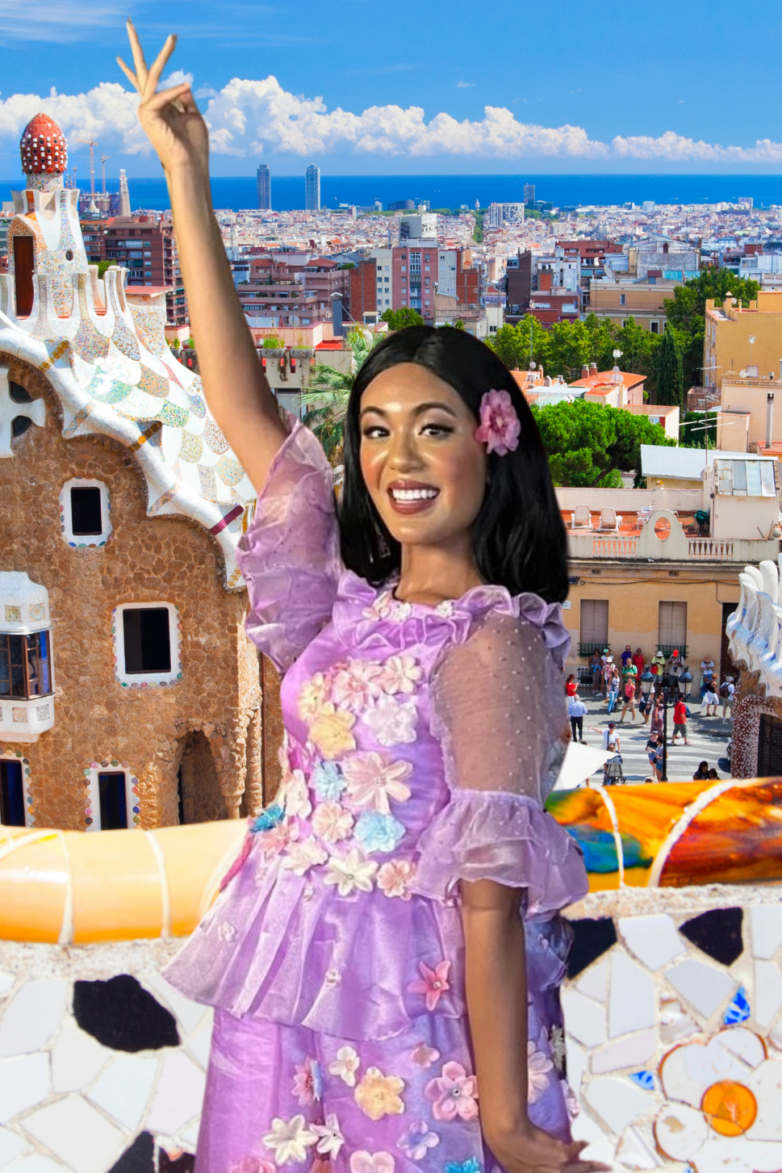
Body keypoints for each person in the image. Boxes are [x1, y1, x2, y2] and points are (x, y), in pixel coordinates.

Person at [119, 27, 603, 1173]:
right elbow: (242, 411)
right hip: (292, 993)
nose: (398, 457)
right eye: (375, 431)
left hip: (403, 1015)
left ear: (492, 448)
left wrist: (502, 1128)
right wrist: (188, 177)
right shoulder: (353, 601)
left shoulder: (490, 644)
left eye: (432, 426)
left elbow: (487, 905)